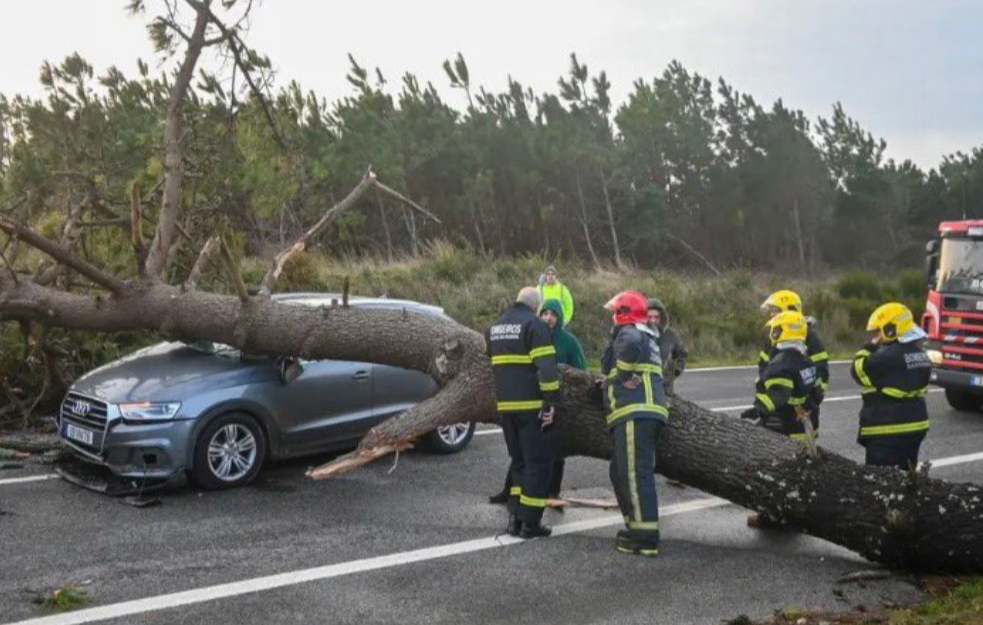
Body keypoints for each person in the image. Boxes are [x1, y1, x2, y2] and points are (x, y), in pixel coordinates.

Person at [489, 299, 586, 504]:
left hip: (558, 402)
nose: (549, 317)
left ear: (559, 318)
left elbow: (582, 371)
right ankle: (512, 492)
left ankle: (552, 492)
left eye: (553, 314)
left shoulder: (569, 341)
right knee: (523, 454)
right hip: (532, 401)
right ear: (539, 315)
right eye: (545, 313)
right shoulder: (529, 332)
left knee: (554, 451)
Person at [485, 287, 560, 538]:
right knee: (538, 465)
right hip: (530, 408)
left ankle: (515, 519)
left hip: (506, 408)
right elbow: (547, 369)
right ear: (536, 307)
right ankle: (530, 523)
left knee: (519, 463)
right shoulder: (534, 325)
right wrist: (551, 402)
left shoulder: (494, 328)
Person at [602, 290, 669, 556]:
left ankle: (645, 536)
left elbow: (626, 347)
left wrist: (625, 373)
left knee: (634, 474)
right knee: (619, 471)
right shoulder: (646, 335)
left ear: (623, 314)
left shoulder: (630, 332)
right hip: (635, 413)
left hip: (636, 411)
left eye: (614, 313)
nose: (612, 319)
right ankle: (635, 526)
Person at [850, 302, 931, 469]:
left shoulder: (887, 357)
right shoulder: (921, 355)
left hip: (887, 430)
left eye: (877, 331)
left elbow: (858, 370)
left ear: (890, 329)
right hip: (915, 426)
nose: (876, 335)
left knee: (881, 482)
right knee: (906, 474)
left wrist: (869, 346)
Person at [741, 311, 821, 441]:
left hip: (781, 428)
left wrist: (759, 409)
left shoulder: (781, 364)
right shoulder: (807, 361)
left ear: (781, 331)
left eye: (775, 328)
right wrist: (805, 410)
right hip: (801, 429)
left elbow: (779, 394)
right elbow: (818, 393)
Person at [757, 290, 829, 433]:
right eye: (770, 310)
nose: (771, 314)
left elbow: (821, 376)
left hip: (801, 414)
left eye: (775, 310)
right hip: (777, 410)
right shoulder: (774, 336)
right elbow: (764, 369)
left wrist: (807, 407)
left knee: (799, 451)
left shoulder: (810, 339)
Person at [646, 298, 688, 398]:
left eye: (656, 317)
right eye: (649, 317)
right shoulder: (638, 335)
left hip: (665, 388)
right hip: (644, 387)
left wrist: (677, 370)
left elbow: (682, 353)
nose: (653, 320)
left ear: (662, 318)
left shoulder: (671, 335)